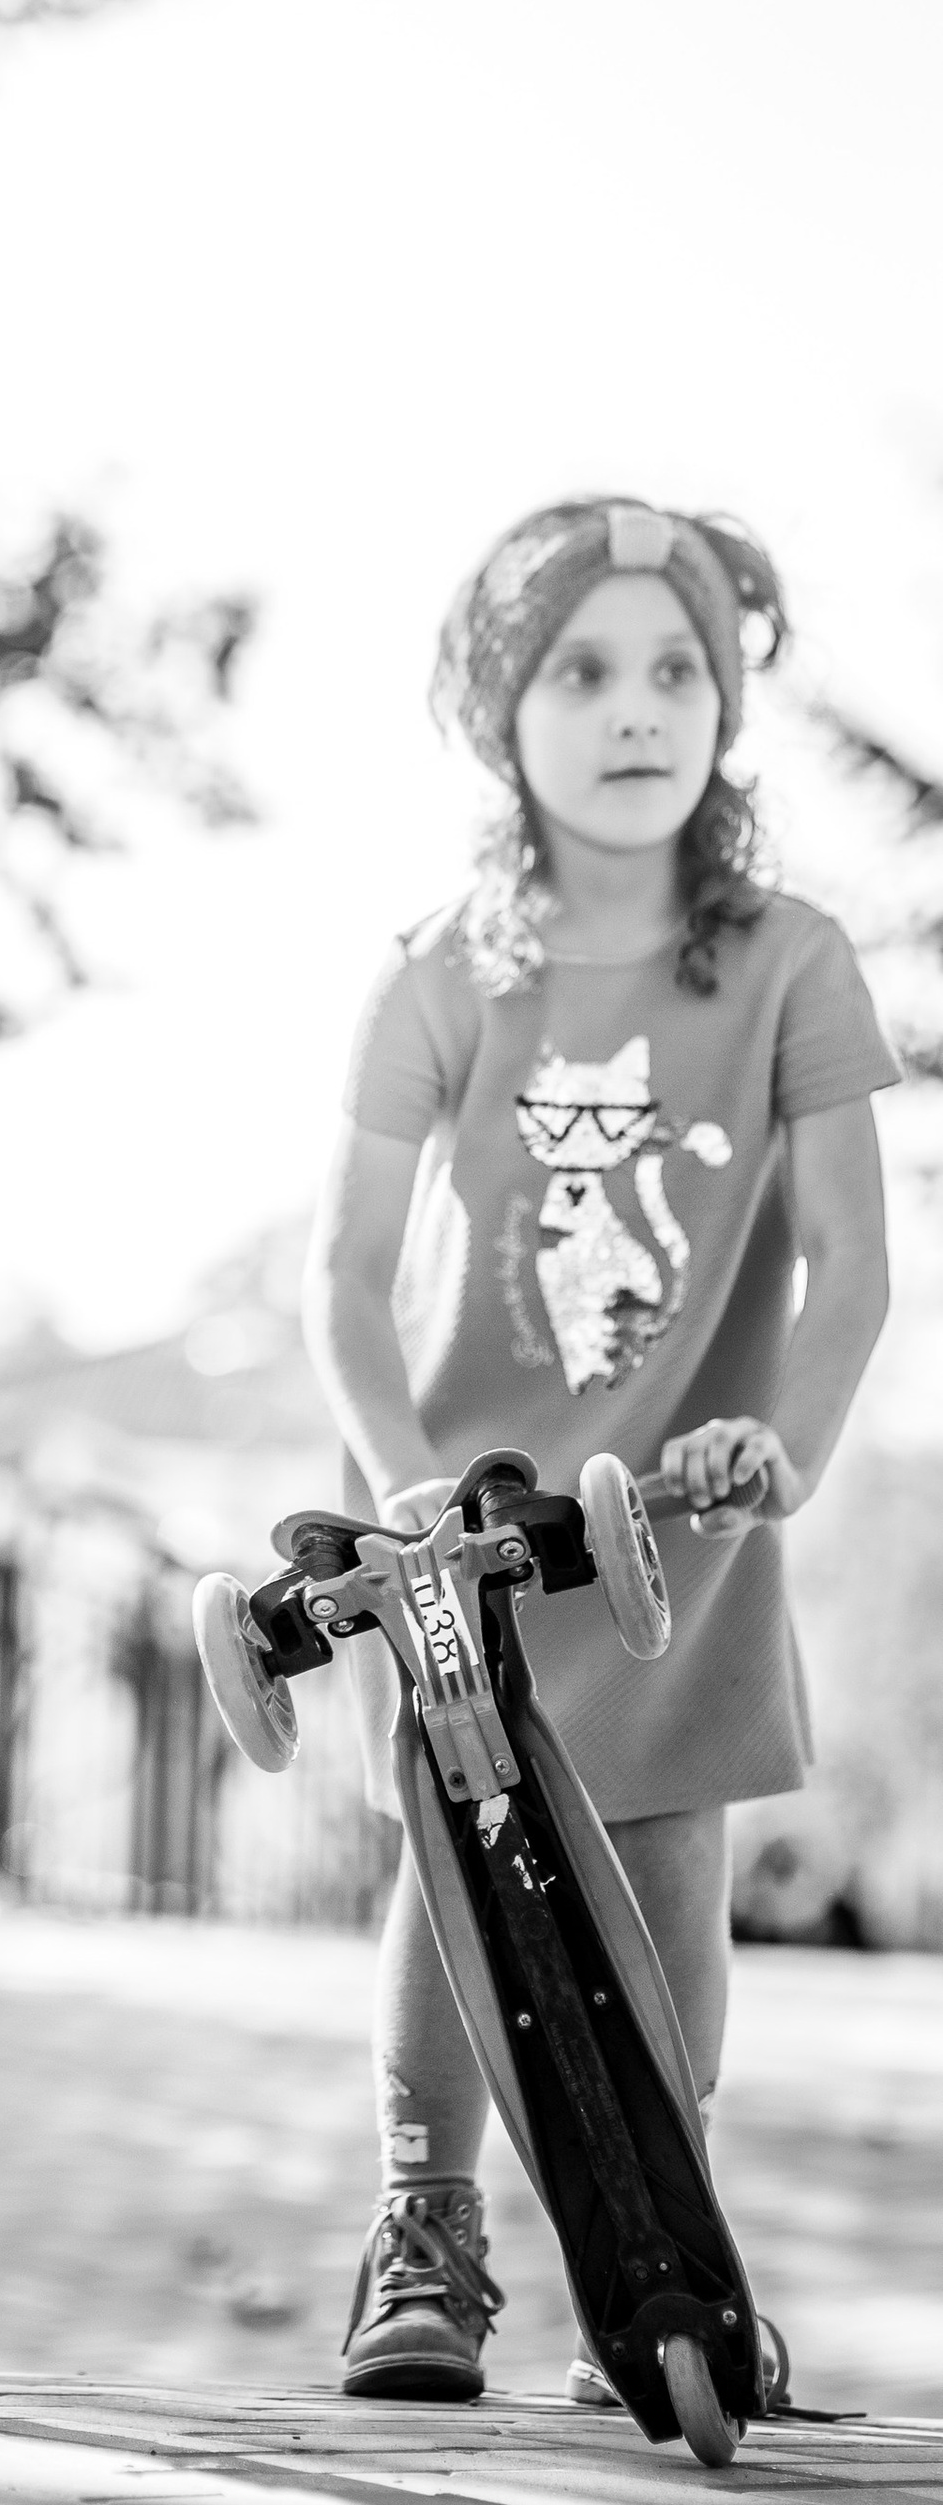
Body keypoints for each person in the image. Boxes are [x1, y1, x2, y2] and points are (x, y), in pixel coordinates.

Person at [303, 497, 891, 2407]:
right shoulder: (442, 973)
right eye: (583, 672)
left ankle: (666, 2248)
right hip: (476, 1535)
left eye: (675, 672)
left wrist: (779, 1448)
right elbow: (341, 1275)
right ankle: (427, 2235)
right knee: (454, 1863)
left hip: (684, 1525)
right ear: (504, 710)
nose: (636, 710)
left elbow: (854, 1271)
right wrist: (395, 1482)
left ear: (723, 706)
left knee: (663, 1871)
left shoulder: (791, 965)